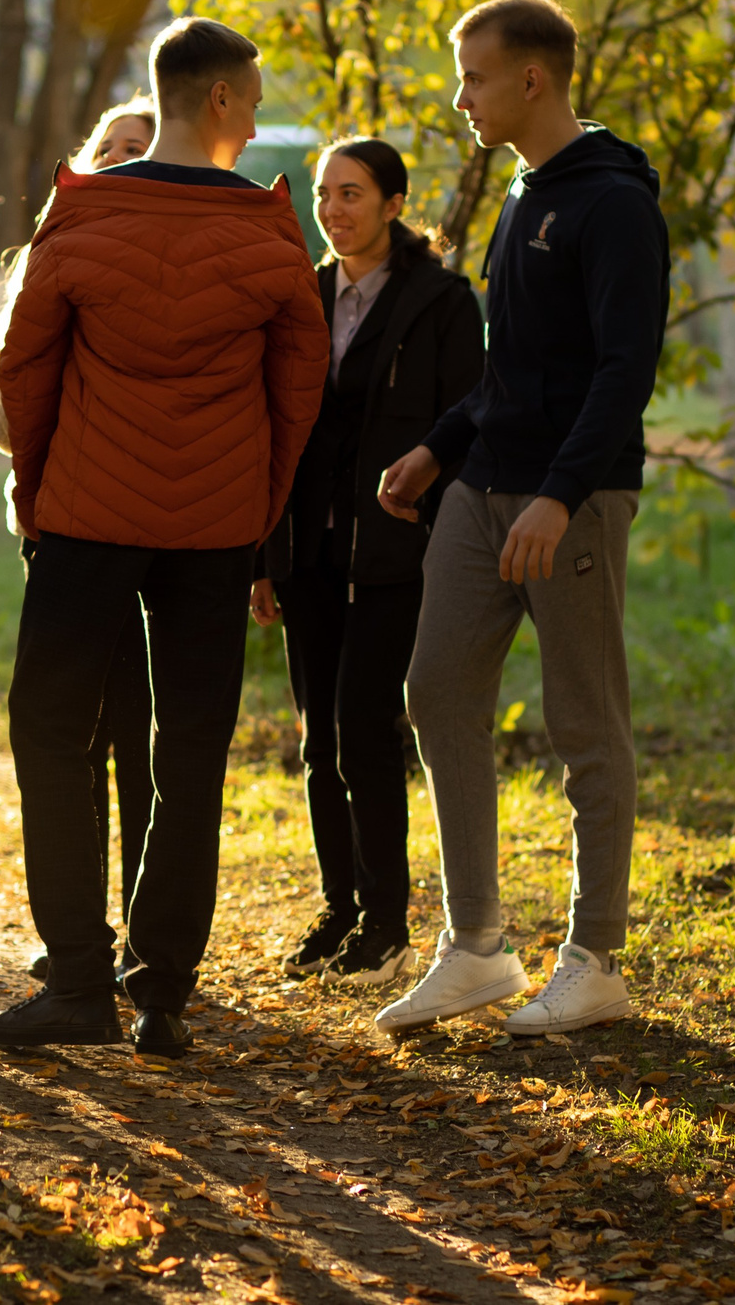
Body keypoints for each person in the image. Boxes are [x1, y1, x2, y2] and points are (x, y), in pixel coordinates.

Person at [0, 18, 326, 1058]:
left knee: (48, 731)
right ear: (216, 100)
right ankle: (163, 988)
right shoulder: (270, 235)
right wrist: (257, 514)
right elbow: (295, 398)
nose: (255, 118)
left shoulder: (82, 214)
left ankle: (77, 981)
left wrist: (37, 491)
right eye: (252, 100)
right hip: (214, 528)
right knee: (191, 753)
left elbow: (25, 376)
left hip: (85, 516)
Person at [371, 0, 670, 1038]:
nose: (462, 99)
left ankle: (595, 960)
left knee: (585, 722)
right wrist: (439, 447)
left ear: (531, 80)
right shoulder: (524, 189)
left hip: (568, 500)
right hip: (483, 483)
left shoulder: (612, 203)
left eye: (476, 80)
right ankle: (476, 949)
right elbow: (515, 368)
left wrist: (559, 495)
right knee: (437, 687)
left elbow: (622, 372)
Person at [251, 137, 483, 990]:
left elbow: (467, 416)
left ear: (393, 204)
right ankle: (341, 907)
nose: (334, 210)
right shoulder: (303, 296)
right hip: (307, 552)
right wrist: (264, 556)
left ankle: (387, 923)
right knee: (318, 740)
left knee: (365, 731)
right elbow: (276, 432)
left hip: (398, 553)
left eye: (352, 194)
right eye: (323, 194)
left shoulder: (443, 301)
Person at [0, 97, 160, 981]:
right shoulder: (52, 250)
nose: (129, 159)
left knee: (142, 743)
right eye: (116, 146)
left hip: (158, 539)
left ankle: (143, 939)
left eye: (147, 148)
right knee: (69, 743)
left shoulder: (187, 263)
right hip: (61, 530)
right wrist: (64, 442)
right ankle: (78, 937)